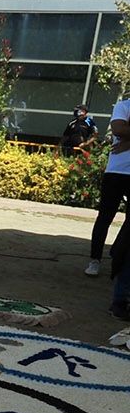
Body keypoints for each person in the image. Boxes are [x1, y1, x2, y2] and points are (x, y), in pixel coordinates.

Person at [88, 96, 130, 278]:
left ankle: (118, 252)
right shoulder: (123, 105)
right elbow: (118, 128)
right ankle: (94, 259)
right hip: (116, 171)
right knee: (105, 216)